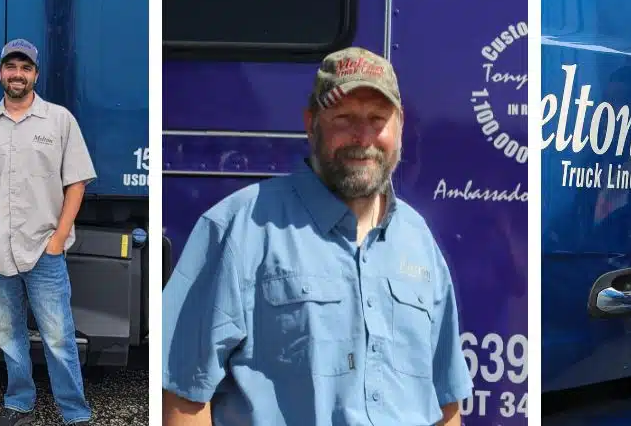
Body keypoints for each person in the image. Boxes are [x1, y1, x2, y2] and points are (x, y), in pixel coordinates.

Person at [161, 47, 473, 426]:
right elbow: (182, 393)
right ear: (311, 124)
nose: (363, 137)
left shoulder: (419, 240)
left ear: (400, 126)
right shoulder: (237, 228)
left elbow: (445, 403)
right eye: (344, 119)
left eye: (378, 119)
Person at [0, 39, 97, 426]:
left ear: (36, 74)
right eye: (10, 67)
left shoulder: (59, 121)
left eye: (25, 67)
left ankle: (75, 414)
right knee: (8, 335)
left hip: (43, 250)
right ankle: (19, 403)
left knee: (58, 339)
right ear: (0, 74)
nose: (17, 74)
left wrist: (58, 240)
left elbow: (77, 183)